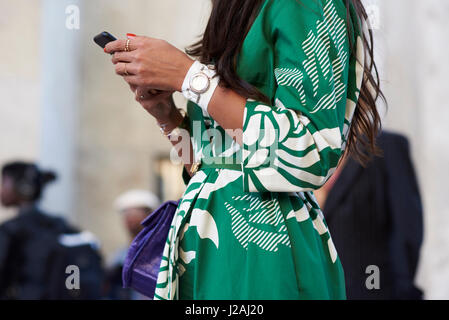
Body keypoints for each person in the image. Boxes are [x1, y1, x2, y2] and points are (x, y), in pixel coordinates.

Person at [104, 0, 384, 299]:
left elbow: (310, 152)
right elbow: (210, 168)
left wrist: (190, 77)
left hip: (263, 249)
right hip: (207, 247)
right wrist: (168, 116)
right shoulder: (235, 8)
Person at [314, 130, 424, 300]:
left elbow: (407, 228)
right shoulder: (300, 158)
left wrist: (401, 289)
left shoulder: (386, 147)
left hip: (377, 289)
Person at [0, 161, 103, 299]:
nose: (1, 188)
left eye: (4, 181)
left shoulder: (11, 230)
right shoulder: (63, 227)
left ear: (23, 187)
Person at [104, 189, 161, 300]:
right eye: (127, 214)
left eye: (135, 214)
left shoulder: (161, 253)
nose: (130, 219)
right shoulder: (119, 256)